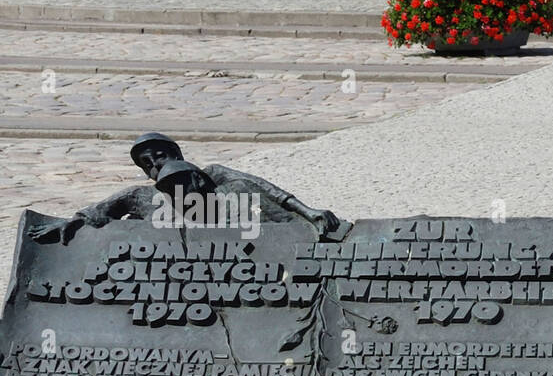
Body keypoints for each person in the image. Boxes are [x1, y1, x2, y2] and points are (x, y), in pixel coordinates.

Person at [28, 132, 344, 243]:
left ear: (177, 155)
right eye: (146, 163)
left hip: (240, 243)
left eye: (159, 156)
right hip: (178, 267)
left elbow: (268, 190)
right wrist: (73, 222)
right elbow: (98, 211)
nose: (154, 165)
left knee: (237, 191)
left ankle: (297, 239)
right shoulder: (141, 196)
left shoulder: (214, 176)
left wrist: (309, 212)